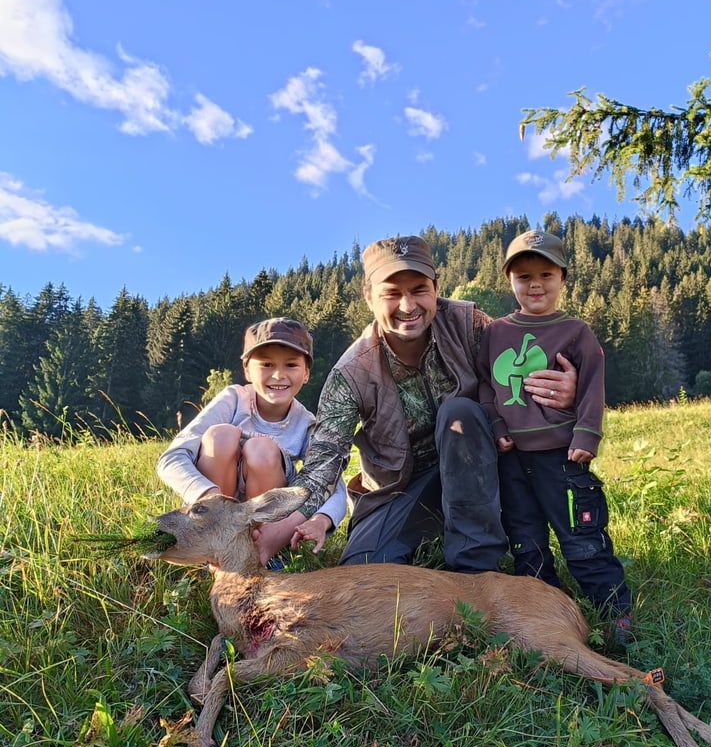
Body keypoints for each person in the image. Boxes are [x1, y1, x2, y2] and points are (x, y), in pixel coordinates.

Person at [254, 236, 576, 570]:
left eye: (419, 289)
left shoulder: (469, 324)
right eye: (392, 293)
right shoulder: (351, 373)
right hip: (400, 490)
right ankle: (431, 534)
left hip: (481, 469)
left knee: (460, 414)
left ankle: (475, 568)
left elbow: (525, 369)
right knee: (363, 571)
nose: (408, 306)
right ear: (369, 297)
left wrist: (566, 392)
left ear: (436, 288)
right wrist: (270, 536)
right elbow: (322, 470)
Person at [476, 229, 632, 630]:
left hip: (562, 457)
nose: (536, 285)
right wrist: (496, 426)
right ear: (509, 280)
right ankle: (542, 612)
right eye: (524, 276)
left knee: (582, 536)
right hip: (511, 459)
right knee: (525, 538)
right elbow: (486, 387)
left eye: (546, 274)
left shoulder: (575, 331)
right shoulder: (495, 334)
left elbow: (593, 384)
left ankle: (616, 613)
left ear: (563, 278)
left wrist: (587, 435)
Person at [157, 317, 346, 548]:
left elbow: (333, 484)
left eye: (291, 365)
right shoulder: (233, 400)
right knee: (220, 436)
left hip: (266, 520)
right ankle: (215, 540)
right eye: (266, 364)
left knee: (262, 449)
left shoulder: (306, 424)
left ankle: (258, 545)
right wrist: (207, 494)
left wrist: (321, 519)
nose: (278, 375)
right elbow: (171, 459)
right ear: (247, 370)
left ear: (306, 373)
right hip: (216, 511)